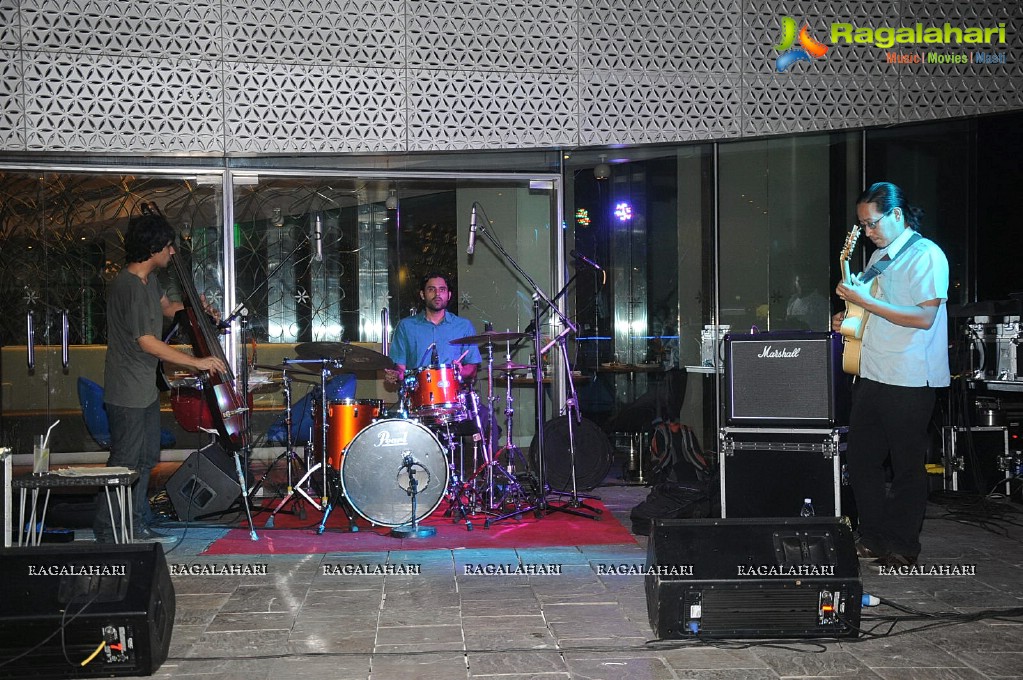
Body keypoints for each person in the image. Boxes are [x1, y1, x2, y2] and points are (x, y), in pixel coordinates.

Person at [832, 181, 949, 568]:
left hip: (910, 377)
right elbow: (869, 313)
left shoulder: (927, 255)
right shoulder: (878, 259)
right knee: (862, 461)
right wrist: (848, 317)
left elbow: (924, 316)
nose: (868, 232)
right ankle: (875, 537)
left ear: (896, 214)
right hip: (872, 372)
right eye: (863, 226)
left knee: (906, 466)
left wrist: (865, 301)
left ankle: (903, 544)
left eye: (872, 224)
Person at [97, 211, 226, 543]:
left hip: (145, 387)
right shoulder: (126, 286)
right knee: (125, 460)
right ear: (153, 247)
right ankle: (109, 527)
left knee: (146, 456)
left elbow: (167, 308)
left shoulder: (149, 281)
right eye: (168, 247)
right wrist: (198, 362)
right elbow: (148, 342)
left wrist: (195, 309)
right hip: (126, 389)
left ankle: (138, 520)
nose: (172, 253)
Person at [386, 272, 499, 449]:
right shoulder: (406, 326)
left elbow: (472, 369)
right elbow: (401, 369)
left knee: (487, 417)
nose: (437, 294)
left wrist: (461, 372)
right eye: (431, 289)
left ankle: (487, 472)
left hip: (455, 400)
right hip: (419, 401)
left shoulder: (463, 326)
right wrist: (396, 375)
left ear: (449, 295)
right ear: (423, 294)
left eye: (442, 289)